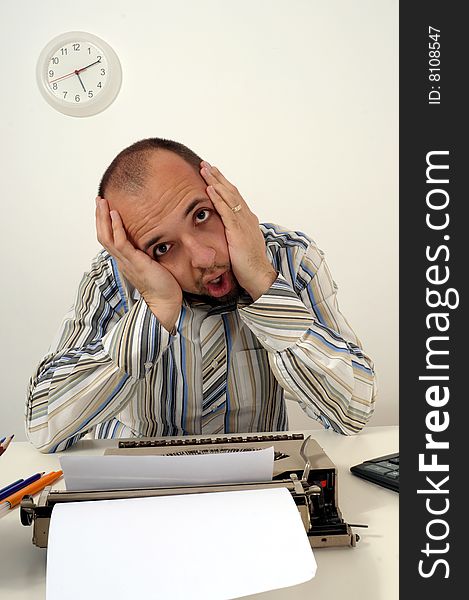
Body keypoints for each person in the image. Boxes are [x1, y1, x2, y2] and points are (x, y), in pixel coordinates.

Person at [26, 138, 377, 453]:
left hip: (255, 491)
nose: (204, 258)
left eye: (201, 215)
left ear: (223, 193)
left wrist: (263, 283)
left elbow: (353, 411)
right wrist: (156, 308)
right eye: (163, 247)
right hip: (139, 494)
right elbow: (43, 427)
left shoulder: (290, 259)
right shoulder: (113, 279)